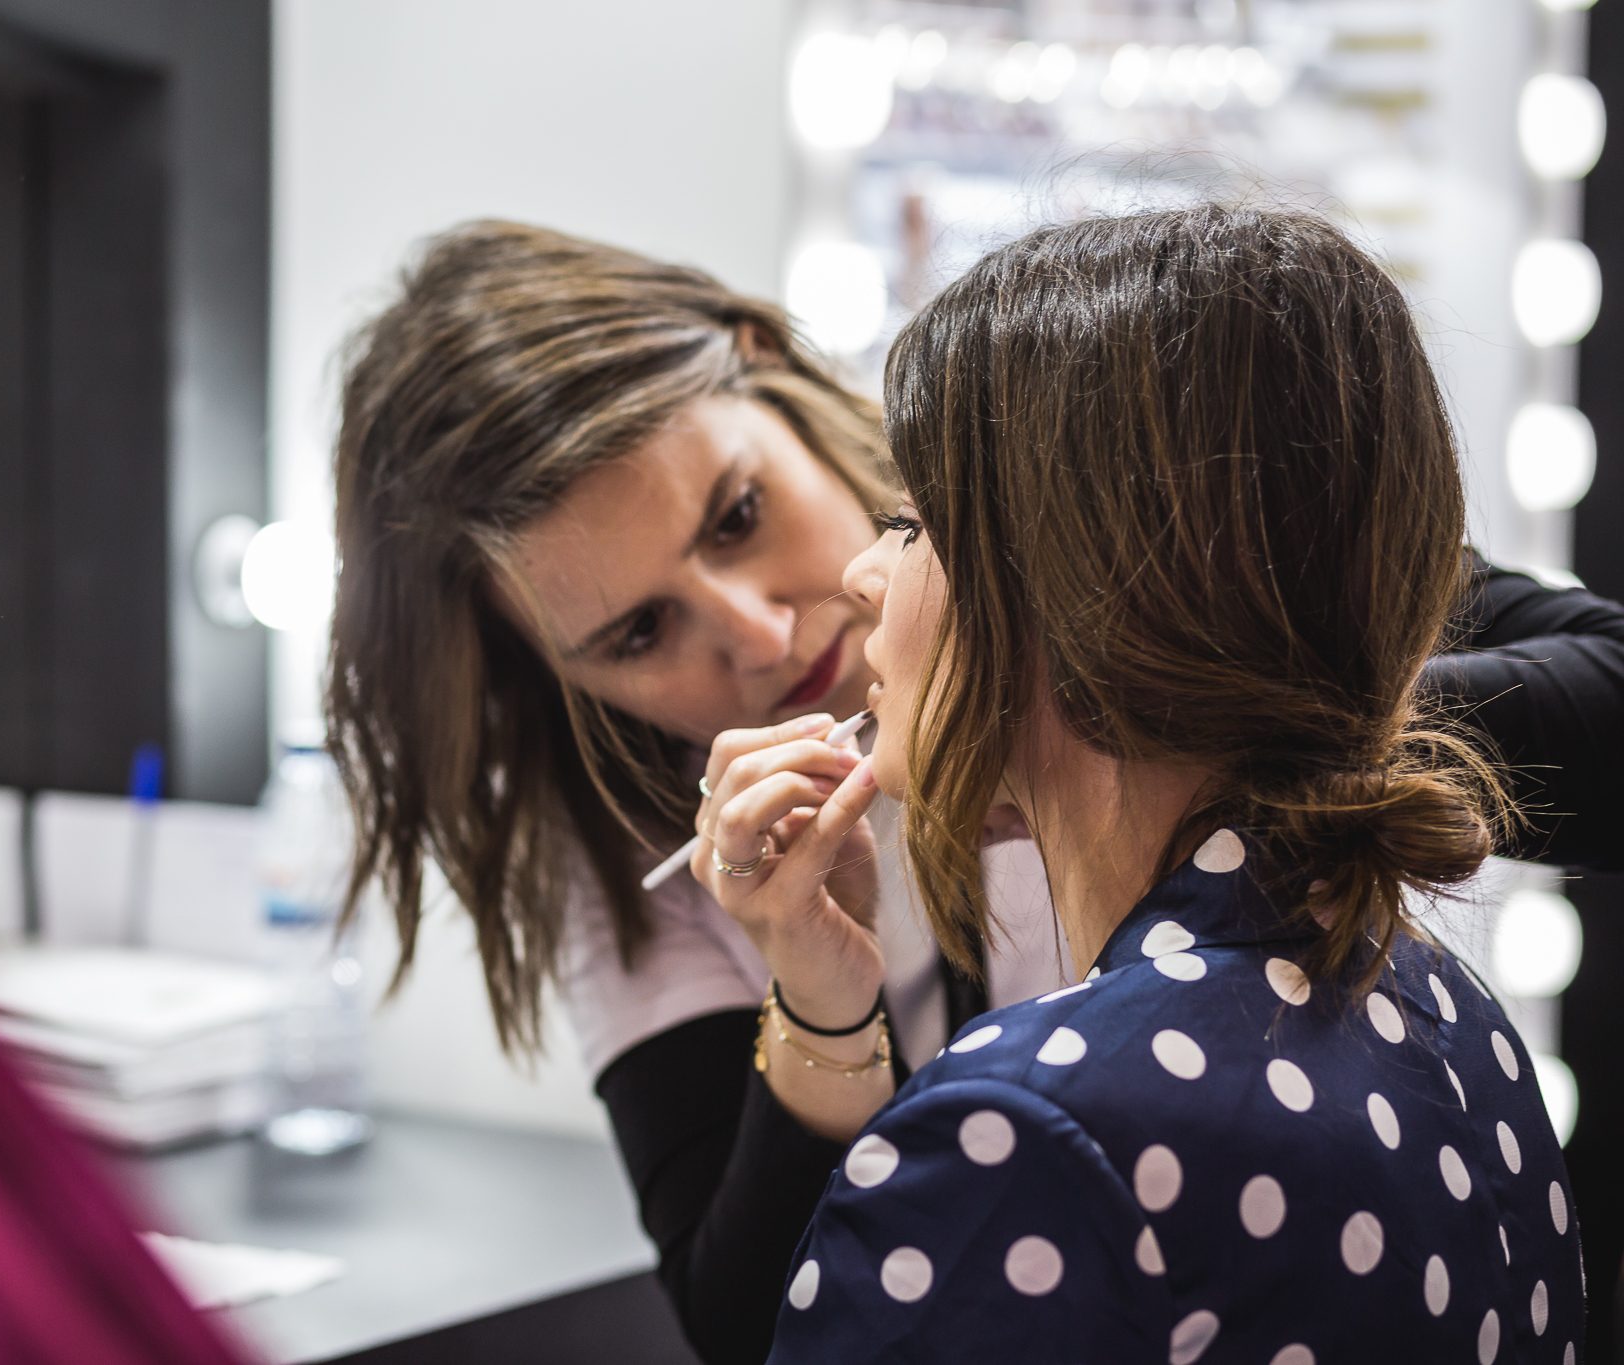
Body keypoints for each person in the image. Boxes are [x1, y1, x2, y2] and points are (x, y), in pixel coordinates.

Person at [325, 220, 1622, 1364]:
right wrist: (819, 1003)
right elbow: (752, 1317)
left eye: (737, 515)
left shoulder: (1072, 464)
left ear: (765, 361)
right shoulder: (628, 848)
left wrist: (1183, 697)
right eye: (637, 635)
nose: (764, 633)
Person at [695, 204, 1583, 1362]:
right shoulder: (1453, 1019)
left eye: (912, 524)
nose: (861, 577)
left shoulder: (1029, 1130)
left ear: (1086, 599)